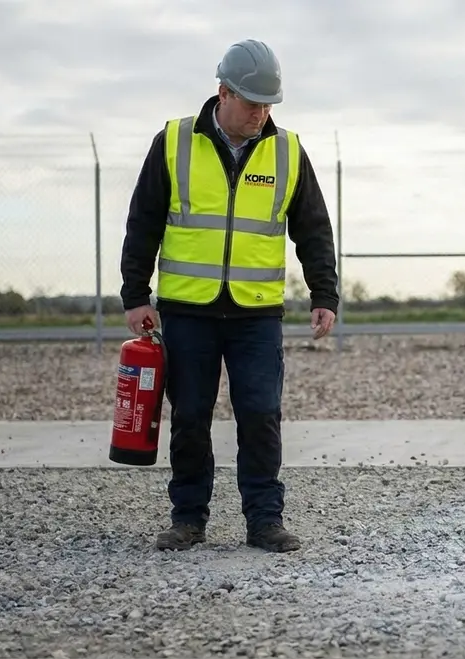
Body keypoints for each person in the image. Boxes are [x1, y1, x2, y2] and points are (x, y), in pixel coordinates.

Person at [118, 38, 339, 553]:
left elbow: (313, 228)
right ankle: (188, 517)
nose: (261, 114)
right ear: (222, 93)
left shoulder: (287, 151)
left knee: (261, 413)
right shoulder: (172, 142)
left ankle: (265, 520)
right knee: (190, 414)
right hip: (187, 311)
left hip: (256, 315)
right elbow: (142, 222)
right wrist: (135, 294)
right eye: (251, 103)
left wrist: (323, 291)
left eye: (269, 105)